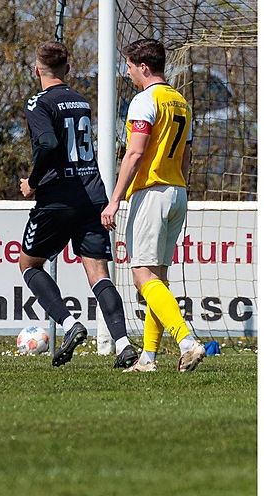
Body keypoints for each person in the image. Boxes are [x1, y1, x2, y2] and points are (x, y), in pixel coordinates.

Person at [18, 41, 138, 368]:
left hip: (58, 197)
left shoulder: (38, 102)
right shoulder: (80, 101)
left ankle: (70, 324)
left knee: (28, 265)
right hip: (93, 195)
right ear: (68, 70)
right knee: (99, 274)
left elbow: (47, 143)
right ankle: (124, 343)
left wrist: (33, 182)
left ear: (36, 70)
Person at [101, 38, 205, 373]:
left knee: (142, 276)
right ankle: (148, 358)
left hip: (152, 191)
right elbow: (187, 154)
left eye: (130, 67)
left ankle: (186, 340)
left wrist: (114, 199)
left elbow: (135, 153)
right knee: (157, 276)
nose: (128, 73)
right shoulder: (180, 101)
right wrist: (180, 186)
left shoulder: (145, 100)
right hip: (177, 190)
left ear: (143, 67)